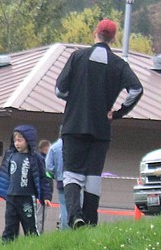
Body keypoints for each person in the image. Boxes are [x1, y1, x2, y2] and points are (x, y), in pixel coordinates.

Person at [54, 18, 143, 228]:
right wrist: (119, 112)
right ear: (113, 38)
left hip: (74, 125)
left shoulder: (77, 57)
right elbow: (136, 90)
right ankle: (91, 221)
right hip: (100, 129)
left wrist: (75, 98)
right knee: (93, 175)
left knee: (72, 173)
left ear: (95, 32)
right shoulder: (119, 65)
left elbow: (59, 90)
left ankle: (75, 216)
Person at [0, 125, 45, 244]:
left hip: (27, 197)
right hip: (11, 197)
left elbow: (42, 178)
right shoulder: (10, 155)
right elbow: (4, 174)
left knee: (30, 225)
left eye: (20, 140)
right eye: (15, 140)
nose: (17, 143)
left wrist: (46, 195)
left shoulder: (35, 158)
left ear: (28, 141)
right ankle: (7, 246)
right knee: (10, 225)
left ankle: (33, 246)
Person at [45, 135, 67, 229]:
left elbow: (48, 166)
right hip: (75, 180)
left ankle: (65, 229)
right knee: (76, 205)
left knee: (63, 206)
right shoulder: (76, 145)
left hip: (61, 180)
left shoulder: (54, 147)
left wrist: (56, 175)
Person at [35, 138, 53, 234]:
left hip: (45, 193)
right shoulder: (42, 161)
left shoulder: (44, 161)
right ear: (45, 148)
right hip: (42, 194)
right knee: (39, 215)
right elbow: (44, 178)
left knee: (42, 215)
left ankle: (38, 232)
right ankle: (37, 234)